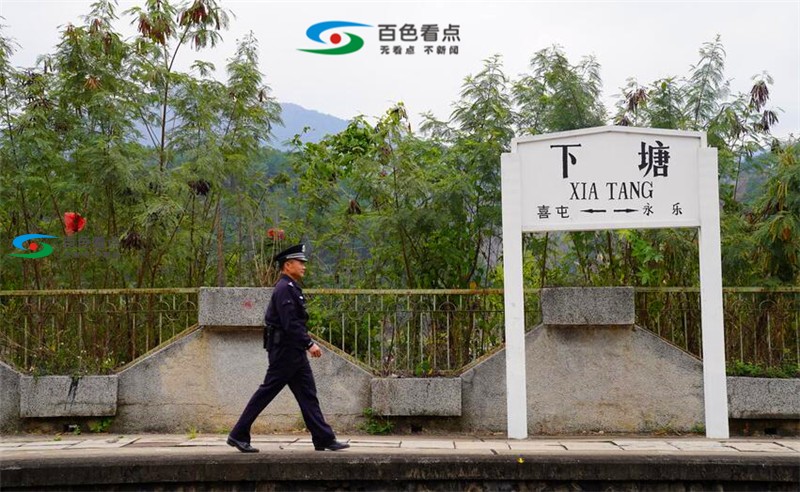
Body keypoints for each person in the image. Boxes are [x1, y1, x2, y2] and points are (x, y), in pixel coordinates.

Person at [227, 243, 349, 453]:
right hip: (284, 352)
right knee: (266, 392)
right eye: (300, 263)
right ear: (287, 265)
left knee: (307, 394)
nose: (304, 266)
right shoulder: (284, 289)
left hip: (293, 352)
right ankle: (238, 434)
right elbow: (290, 322)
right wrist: (309, 344)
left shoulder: (291, 287)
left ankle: (323, 438)